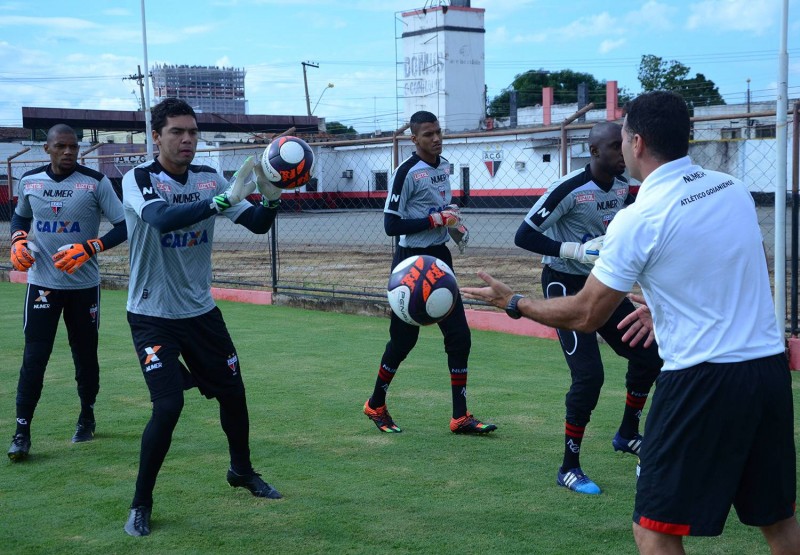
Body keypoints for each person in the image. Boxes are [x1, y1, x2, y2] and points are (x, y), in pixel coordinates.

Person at [462, 91, 800, 554]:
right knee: (778, 522)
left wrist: (514, 301)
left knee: (654, 530)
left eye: (621, 137)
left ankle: (607, 444)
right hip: (768, 371)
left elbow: (585, 313)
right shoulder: (732, 188)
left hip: (701, 380)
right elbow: (739, 264)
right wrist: (667, 308)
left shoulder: (639, 217)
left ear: (636, 142)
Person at [120, 98, 286, 537]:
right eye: (176, 132)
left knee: (234, 394)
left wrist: (271, 199)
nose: (187, 139)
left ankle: (241, 471)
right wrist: (219, 202)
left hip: (200, 312)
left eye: (192, 132)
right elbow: (160, 219)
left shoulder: (209, 178)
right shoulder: (139, 178)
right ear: (156, 136)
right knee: (168, 406)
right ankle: (141, 503)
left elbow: (255, 224)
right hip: (152, 314)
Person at [513, 121, 662, 495]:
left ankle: (628, 433)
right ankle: (569, 466)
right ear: (594, 151)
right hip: (565, 284)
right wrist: (572, 249)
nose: (622, 152)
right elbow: (524, 234)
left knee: (649, 354)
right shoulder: (569, 189)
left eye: (623, 144)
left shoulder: (625, 187)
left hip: (604, 284)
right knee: (589, 376)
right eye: (615, 146)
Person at [363, 110, 496, 435]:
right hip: (410, 262)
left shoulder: (445, 166)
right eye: (428, 134)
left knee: (459, 336)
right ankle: (375, 403)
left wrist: (452, 223)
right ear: (414, 139)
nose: (436, 139)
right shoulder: (405, 172)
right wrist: (433, 220)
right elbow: (390, 225)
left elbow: (440, 210)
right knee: (403, 339)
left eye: (438, 132)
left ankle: (460, 416)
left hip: (440, 258)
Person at [7, 124, 127, 461]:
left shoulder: (96, 182)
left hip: (83, 287)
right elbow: (19, 218)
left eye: (73, 147)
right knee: (34, 358)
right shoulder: (29, 181)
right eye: (61, 146)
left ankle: (86, 416)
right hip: (42, 284)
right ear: (47, 149)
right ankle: (21, 432)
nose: (69, 152)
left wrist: (92, 247)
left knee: (85, 357)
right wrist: (17, 239)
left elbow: (123, 226)